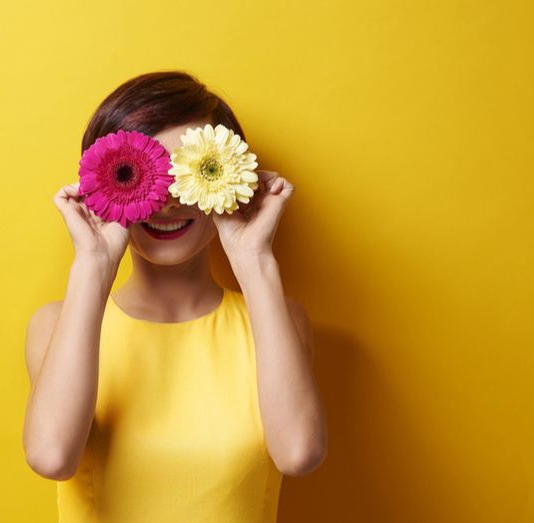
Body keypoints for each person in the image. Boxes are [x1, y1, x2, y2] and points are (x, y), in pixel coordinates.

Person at [22, 70, 327, 522]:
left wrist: (254, 258)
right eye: (144, 173)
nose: (168, 201)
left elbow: (298, 453)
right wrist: (93, 263)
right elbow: (51, 456)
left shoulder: (277, 321)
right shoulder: (55, 324)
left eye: (193, 170)